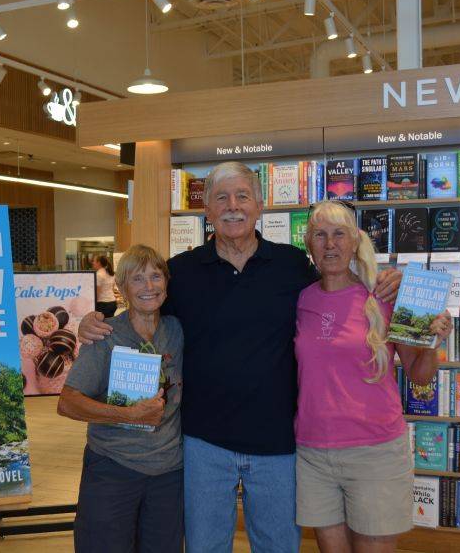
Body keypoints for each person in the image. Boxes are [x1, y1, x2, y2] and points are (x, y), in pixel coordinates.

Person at [79, 161, 402, 552]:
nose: (233, 205)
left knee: (277, 546)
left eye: (242, 196)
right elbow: (144, 310)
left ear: (259, 205)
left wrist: (384, 279)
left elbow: (339, 291)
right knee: (206, 546)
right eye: (221, 198)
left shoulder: (291, 265)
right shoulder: (182, 272)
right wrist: (94, 322)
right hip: (203, 443)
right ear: (207, 210)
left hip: (277, 442)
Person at [294, 200, 452, 553]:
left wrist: (432, 343)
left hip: (375, 451)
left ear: (355, 242)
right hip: (313, 453)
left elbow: (420, 376)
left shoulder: (384, 295)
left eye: (339, 234)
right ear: (309, 244)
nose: (329, 244)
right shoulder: (301, 299)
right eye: (320, 235)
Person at [58, 244, 183, 553]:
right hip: (113, 469)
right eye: (137, 279)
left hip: (168, 474)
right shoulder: (104, 335)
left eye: (156, 276)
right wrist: (129, 415)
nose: (149, 287)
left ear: (167, 283)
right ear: (121, 287)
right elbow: (67, 402)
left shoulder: (177, 330)